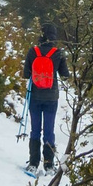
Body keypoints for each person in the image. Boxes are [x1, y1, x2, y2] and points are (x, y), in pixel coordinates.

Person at [24, 33, 70, 174]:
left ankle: (33, 163)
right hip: (51, 97)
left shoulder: (33, 51)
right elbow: (65, 74)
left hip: (34, 96)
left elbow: (26, 74)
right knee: (49, 131)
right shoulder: (58, 53)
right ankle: (49, 165)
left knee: (35, 130)